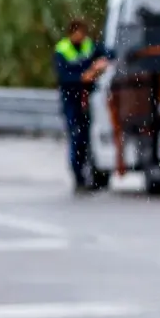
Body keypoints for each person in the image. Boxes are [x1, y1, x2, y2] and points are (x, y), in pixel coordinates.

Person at [53, 18, 110, 191]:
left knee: (87, 137)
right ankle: (78, 176)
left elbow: (109, 53)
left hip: (87, 99)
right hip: (71, 99)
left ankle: (89, 174)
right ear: (71, 34)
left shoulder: (89, 46)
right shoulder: (62, 50)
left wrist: (102, 63)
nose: (81, 37)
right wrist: (82, 77)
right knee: (76, 137)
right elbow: (63, 77)